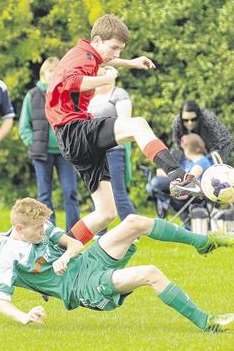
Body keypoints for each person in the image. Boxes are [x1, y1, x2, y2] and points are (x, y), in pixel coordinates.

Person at [45, 14, 200, 245]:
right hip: (74, 129)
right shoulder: (82, 57)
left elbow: (104, 61)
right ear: (97, 40)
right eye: (114, 48)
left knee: (106, 213)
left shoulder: (88, 54)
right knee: (137, 124)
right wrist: (105, 79)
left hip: (71, 137)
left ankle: (55, 251)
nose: (116, 54)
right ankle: (177, 176)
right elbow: (72, 82)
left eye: (120, 50)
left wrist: (131, 62)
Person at [0, 197, 234, 332]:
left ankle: (203, 242)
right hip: (83, 288)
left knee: (134, 222)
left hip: (86, 261)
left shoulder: (40, 227)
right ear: (20, 228)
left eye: (44, 227)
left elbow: (75, 245)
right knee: (150, 273)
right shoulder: (8, 257)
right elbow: (2, 301)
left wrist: (65, 257)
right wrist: (24, 317)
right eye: (38, 229)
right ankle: (208, 323)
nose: (43, 231)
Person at [19, 57, 79, 231]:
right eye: (51, 71)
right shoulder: (32, 95)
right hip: (41, 153)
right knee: (44, 196)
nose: (54, 75)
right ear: (43, 73)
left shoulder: (67, 94)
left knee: (70, 192)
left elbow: (76, 122)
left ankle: (74, 234)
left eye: (57, 71)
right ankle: (49, 233)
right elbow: (24, 127)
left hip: (65, 152)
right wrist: (33, 143)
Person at [88, 66, 135, 221]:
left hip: (114, 150)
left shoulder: (119, 94)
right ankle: (100, 235)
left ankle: (131, 230)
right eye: (98, 75)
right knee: (99, 193)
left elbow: (124, 122)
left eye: (104, 74)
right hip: (94, 153)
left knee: (117, 192)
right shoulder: (90, 97)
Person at [147, 134, 212, 226]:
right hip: (182, 193)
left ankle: (164, 203)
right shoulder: (187, 162)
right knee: (153, 185)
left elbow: (189, 180)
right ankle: (169, 206)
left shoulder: (202, 161)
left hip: (194, 195)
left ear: (188, 147)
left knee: (156, 183)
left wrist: (171, 177)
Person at [172, 100, 234, 165]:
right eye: (185, 120)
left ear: (198, 116)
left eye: (193, 119)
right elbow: (178, 144)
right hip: (191, 154)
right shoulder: (177, 123)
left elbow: (225, 142)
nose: (189, 123)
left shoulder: (209, 120)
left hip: (215, 150)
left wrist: (208, 159)